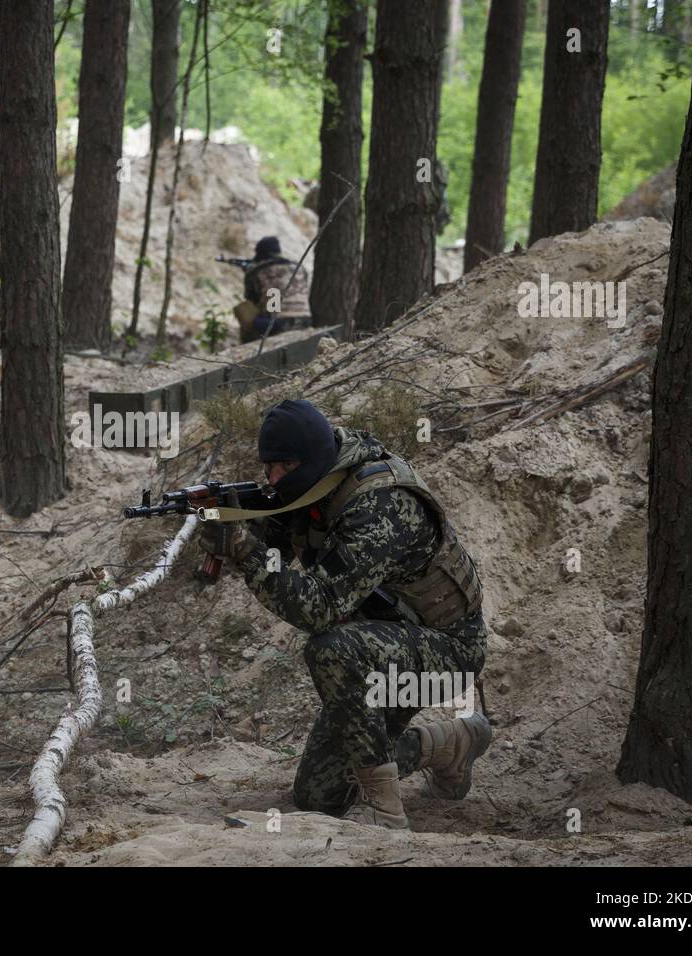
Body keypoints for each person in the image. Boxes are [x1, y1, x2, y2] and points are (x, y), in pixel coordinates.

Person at [198, 399, 491, 828]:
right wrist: (231, 526)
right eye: (269, 467)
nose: (272, 479)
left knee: (329, 648)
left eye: (283, 467)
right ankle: (447, 745)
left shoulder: (381, 506)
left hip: (448, 654)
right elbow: (276, 552)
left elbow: (318, 608)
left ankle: (384, 810)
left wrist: (245, 549)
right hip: (384, 647)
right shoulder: (314, 483)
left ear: (310, 461)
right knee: (319, 796)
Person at [232, 236, 311, 344]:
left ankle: (250, 351)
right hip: (306, 321)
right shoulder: (299, 267)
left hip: (276, 324)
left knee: (245, 315)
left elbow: (252, 303)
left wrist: (249, 273)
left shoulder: (256, 271)